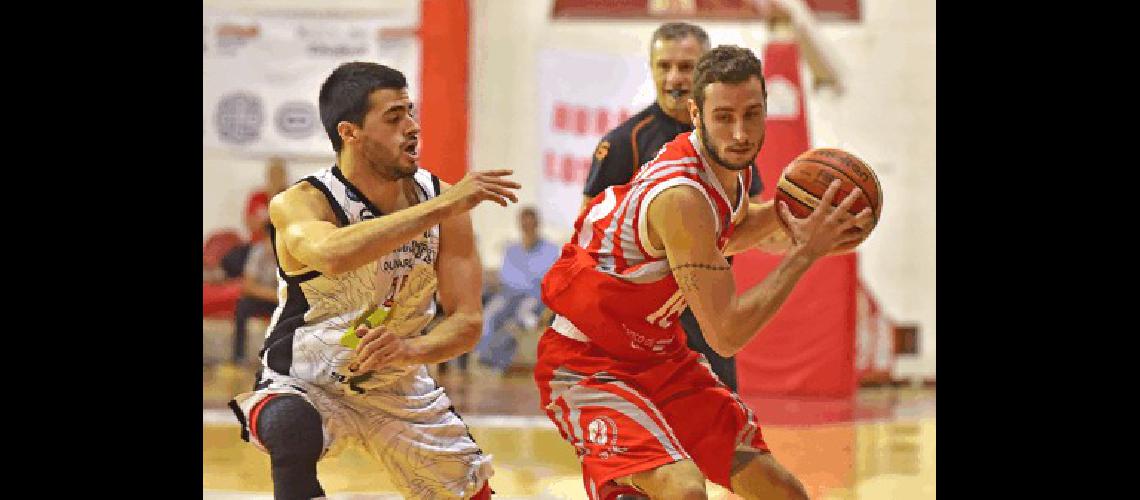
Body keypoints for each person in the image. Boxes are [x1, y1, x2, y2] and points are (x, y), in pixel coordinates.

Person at [534, 45, 873, 500]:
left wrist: (799, 211)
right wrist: (804, 253)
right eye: (724, 117)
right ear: (696, 113)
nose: (739, 133)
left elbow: (731, 230)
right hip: (589, 362)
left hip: (659, 358)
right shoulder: (682, 196)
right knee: (684, 490)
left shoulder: (724, 172)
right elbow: (726, 335)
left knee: (783, 491)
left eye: (752, 115)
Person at [228, 61, 521, 500]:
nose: (413, 127)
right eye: (394, 117)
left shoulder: (444, 204)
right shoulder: (302, 203)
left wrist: (411, 349)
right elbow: (332, 253)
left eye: (411, 112)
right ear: (350, 133)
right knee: (290, 427)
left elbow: (467, 321)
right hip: (308, 378)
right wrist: (442, 208)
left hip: (398, 381)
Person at [582, 22, 773, 393]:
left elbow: (753, 224)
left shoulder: (731, 142)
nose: (674, 77)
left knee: (723, 442)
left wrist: (812, 225)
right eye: (663, 66)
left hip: (709, 318)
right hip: (644, 331)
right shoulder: (625, 144)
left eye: (686, 67)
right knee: (652, 448)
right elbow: (587, 242)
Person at [475, 206, 559, 375]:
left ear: (537, 224)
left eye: (530, 222)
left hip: (534, 297)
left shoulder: (550, 250)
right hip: (508, 294)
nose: (527, 227)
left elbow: (548, 281)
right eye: (524, 223)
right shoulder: (511, 250)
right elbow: (505, 278)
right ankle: (484, 358)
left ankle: (497, 362)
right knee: (489, 315)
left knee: (519, 319)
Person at [231, 222, 280, 365]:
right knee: (242, 306)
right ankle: (238, 355)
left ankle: (280, 359)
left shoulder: (288, 254)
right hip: (269, 297)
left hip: (282, 299)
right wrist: (274, 295)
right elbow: (247, 286)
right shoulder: (257, 252)